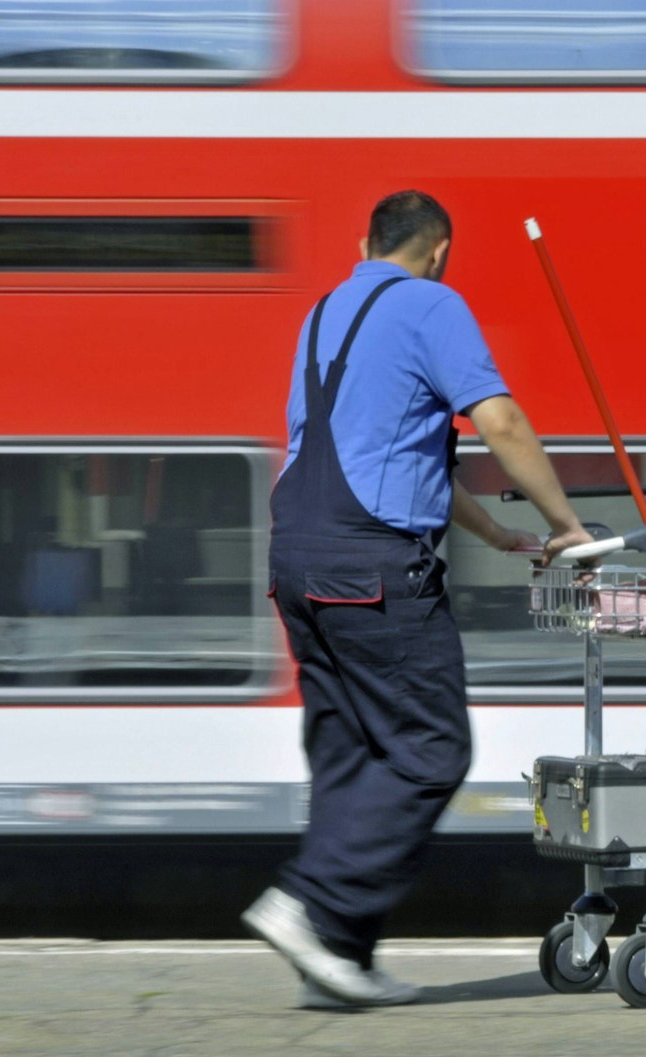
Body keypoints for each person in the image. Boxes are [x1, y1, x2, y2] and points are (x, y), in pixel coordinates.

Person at [242, 190, 593, 1009]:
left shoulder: (326, 311)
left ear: (364, 241)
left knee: (351, 752)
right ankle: (311, 900)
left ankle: (338, 958)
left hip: (297, 554)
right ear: (439, 252)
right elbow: (500, 421)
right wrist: (563, 523)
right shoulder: (433, 302)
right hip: (373, 567)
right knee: (433, 751)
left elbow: (392, 453)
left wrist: (497, 536)